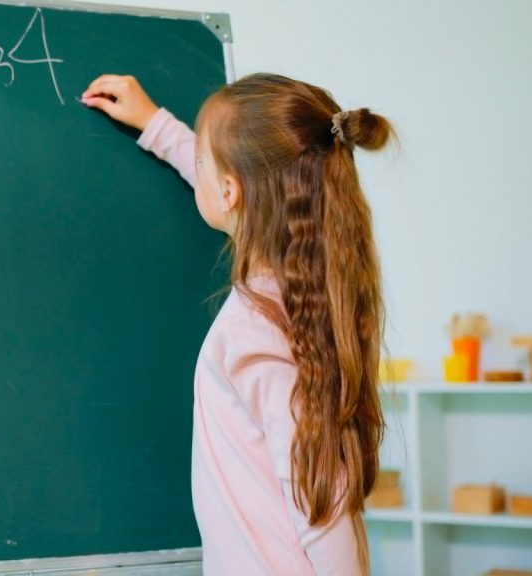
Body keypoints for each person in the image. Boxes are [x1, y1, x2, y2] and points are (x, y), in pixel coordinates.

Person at [82, 73, 393, 575]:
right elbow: (240, 181)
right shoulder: (305, 298)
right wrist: (157, 126)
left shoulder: (257, 332)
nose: (197, 165)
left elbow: (322, 505)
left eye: (203, 160)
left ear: (230, 191)